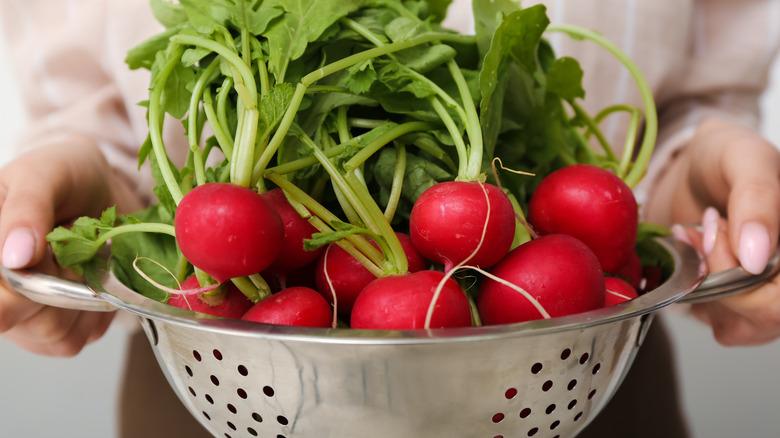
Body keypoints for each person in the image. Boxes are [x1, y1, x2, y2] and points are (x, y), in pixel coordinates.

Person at [0, 0, 778, 437]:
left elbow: (694, 110)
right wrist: (90, 190)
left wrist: (707, 188)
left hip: (568, 366)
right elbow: (98, 117)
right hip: (229, 371)